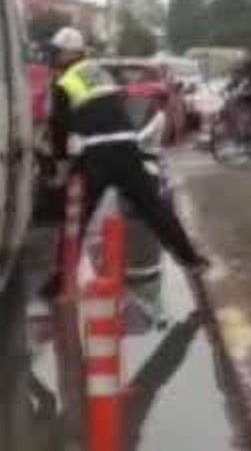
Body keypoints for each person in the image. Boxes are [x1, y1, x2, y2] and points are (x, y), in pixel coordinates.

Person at [41, 27, 209, 297]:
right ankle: (192, 259)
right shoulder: (100, 74)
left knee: (76, 216)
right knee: (154, 208)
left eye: (56, 52)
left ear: (67, 54)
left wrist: (59, 163)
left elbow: (59, 126)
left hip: (97, 152)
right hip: (127, 147)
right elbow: (119, 105)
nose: (53, 57)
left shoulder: (64, 82)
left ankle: (59, 281)